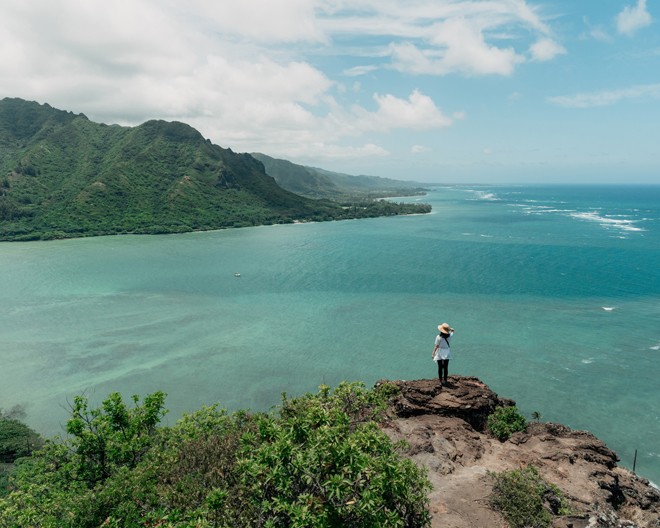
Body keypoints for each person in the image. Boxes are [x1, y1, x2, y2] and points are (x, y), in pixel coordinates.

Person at [432, 323, 454, 388]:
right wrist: (449, 329)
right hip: (446, 352)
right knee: (445, 367)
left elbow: (436, 346)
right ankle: (445, 381)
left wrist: (433, 353)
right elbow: (453, 330)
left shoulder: (438, 337)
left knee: (440, 367)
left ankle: (440, 381)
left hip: (439, 352)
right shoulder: (450, 336)